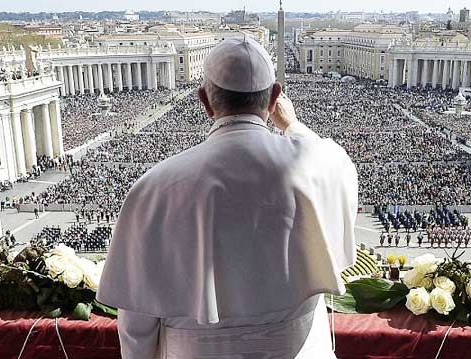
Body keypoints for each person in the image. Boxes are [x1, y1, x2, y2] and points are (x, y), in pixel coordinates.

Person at [97, 38, 358, 359]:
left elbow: (137, 319)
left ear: (205, 101)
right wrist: (291, 125)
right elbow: (334, 161)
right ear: (275, 97)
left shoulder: (155, 186)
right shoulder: (319, 165)